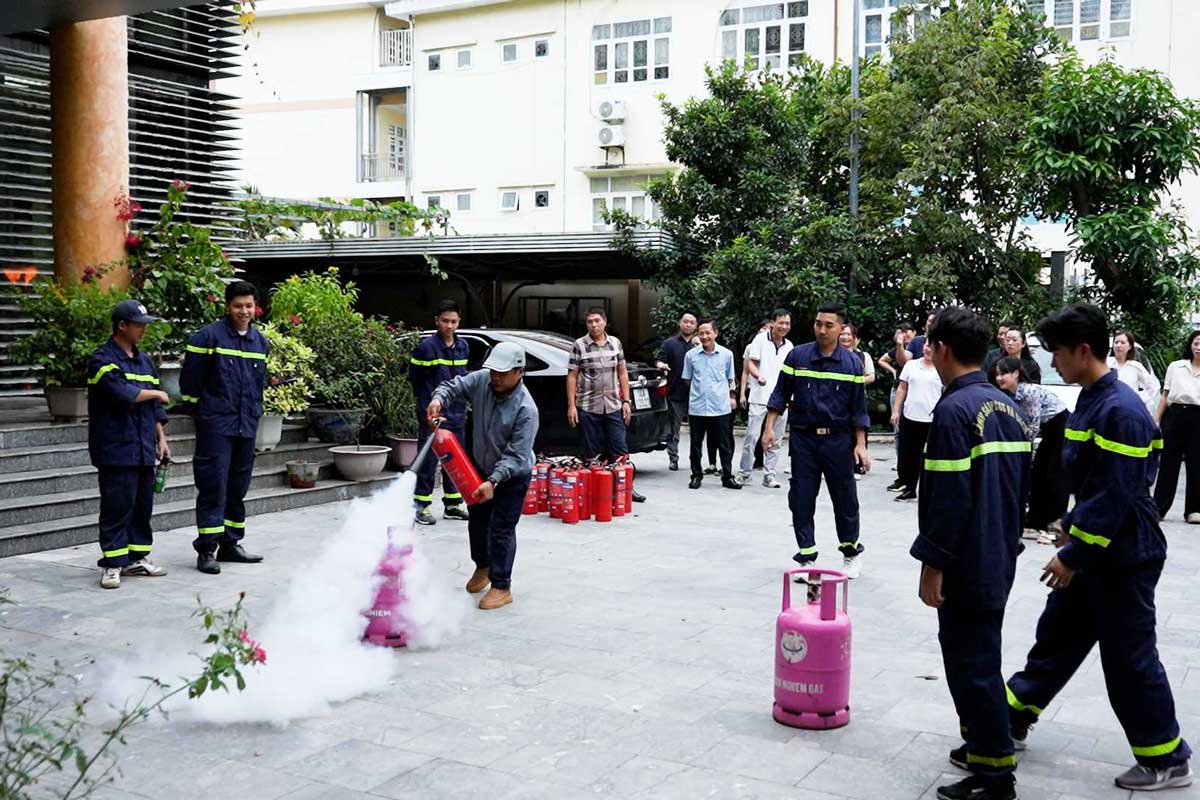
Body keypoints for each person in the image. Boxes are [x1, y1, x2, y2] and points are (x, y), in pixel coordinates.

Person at [1007, 304, 1192, 792]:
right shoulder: (1091, 399)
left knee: (1129, 657)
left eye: (1058, 354)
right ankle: (1011, 719)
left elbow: (1119, 491)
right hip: (1094, 545)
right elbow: (1093, 486)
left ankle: (1166, 757)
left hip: (1125, 555)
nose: (1054, 363)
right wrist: (1072, 526)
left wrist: (1073, 553)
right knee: (1058, 637)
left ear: (1082, 351)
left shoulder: (1120, 409)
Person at [910, 307, 1030, 800]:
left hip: (967, 561)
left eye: (928, 345)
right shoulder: (1008, 408)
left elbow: (947, 499)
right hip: (999, 553)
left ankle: (995, 775)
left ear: (940, 349)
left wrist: (932, 564)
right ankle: (982, 747)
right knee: (981, 656)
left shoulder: (954, 412)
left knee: (972, 665)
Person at [426, 342, 539, 610]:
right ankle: (483, 566)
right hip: (480, 465)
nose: (495, 377)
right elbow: (454, 386)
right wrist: (438, 399)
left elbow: (516, 455)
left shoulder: (526, 410)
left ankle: (502, 586)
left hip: (511, 476)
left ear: (519, 372)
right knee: (477, 521)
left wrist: (493, 481)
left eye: (502, 372)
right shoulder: (482, 381)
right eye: (492, 371)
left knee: (501, 528)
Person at [763, 303, 870, 579]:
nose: (822, 329)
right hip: (804, 440)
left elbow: (859, 409)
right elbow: (779, 395)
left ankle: (850, 554)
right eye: (818, 323)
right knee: (801, 497)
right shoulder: (797, 357)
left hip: (838, 441)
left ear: (841, 329)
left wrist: (860, 445)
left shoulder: (852, 364)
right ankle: (806, 557)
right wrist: (769, 428)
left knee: (845, 498)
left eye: (829, 325)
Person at [180, 281, 269, 575]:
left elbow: (258, 385)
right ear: (227, 306)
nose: (243, 311)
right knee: (213, 486)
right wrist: (205, 414)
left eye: (248, 306)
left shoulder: (260, 342)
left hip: (246, 424)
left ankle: (231, 544)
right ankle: (207, 548)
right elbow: (189, 386)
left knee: (237, 487)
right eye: (237, 306)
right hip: (216, 425)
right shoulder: (207, 338)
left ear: (255, 307)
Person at [87, 300, 172, 589]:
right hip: (115, 447)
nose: (143, 330)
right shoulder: (101, 359)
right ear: (122, 326)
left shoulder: (145, 360)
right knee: (117, 505)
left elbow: (152, 410)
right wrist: (157, 393)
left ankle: (136, 558)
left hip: (144, 446)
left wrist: (161, 439)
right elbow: (122, 393)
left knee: (141, 506)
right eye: (139, 325)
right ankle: (112, 564)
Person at [566, 308, 644, 502]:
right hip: (587, 405)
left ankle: (626, 489)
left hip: (613, 405)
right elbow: (572, 376)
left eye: (597, 321)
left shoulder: (615, 343)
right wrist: (571, 406)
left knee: (620, 449)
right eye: (589, 321)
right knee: (590, 452)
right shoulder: (580, 345)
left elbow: (623, 372)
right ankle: (594, 492)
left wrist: (626, 401)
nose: (593, 325)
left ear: (605, 322)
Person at [408, 300, 471, 526]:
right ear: (436, 321)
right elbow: (414, 379)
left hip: (456, 414)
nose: (450, 326)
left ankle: (452, 504)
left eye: (454, 321)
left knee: (454, 460)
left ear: (459, 322)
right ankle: (421, 506)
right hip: (431, 414)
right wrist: (426, 403)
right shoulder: (426, 348)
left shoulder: (463, 346)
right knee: (428, 462)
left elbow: (463, 381)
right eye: (445, 321)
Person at [992, 356, 1069, 538]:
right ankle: (1035, 519)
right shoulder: (1008, 394)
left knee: (1053, 474)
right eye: (997, 374)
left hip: (1060, 426)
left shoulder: (1028, 392)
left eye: (1004, 373)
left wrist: (1023, 452)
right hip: (1048, 430)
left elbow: (1032, 426)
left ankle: (1055, 520)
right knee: (1038, 474)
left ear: (1016, 374)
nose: (999, 378)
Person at [682, 319, 740, 490]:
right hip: (698, 407)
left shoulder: (726, 355)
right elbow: (687, 379)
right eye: (701, 333)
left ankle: (727, 476)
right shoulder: (691, 356)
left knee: (724, 444)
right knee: (695, 445)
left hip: (720, 407)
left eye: (708, 333)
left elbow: (730, 379)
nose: (705, 336)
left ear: (716, 333)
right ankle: (696, 475)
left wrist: (730, 397)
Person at [738, 309, 793, 488]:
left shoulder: (790, 346)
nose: (784, 326)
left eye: (787, 323)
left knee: (776, 439)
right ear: (773, 323)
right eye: (781, 323)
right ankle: (744, 473)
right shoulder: (760, 339)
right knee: (752, 436)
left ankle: (769, 474)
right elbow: (751, 364)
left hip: (781, 399)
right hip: (759, 396)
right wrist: (758, 376)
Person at [1153, 330, 1200, 524]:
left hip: (1198, 417)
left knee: (1197, 463)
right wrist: (1156, 420)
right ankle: (1159, 508)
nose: (1199, 347)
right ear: (1190, 345)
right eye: (1196, 343)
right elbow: (1165, 395)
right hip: (1175, 415)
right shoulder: (1176, 367)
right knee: (1167, 463)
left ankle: (1194, 510)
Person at [891, 340, 943, 502]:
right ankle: (910, 488)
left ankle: (930, 490)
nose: (928, 349)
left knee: (928, 457)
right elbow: (902, 388)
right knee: (908, 455)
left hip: (931, 420)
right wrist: (896, 410)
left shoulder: (942, 369)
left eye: (932, 346)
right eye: (927, 345)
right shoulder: (911, 365)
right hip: (910, 417)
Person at [655, 312, 698, 471]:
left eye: (691, 322)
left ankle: (696, 459)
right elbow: (660, 360)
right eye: (685, 321)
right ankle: (673, 458)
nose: (688, 325)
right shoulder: (669, 343)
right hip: (676, 392)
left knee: (697, 429)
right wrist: (661, 365)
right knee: (674, 428)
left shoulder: (700, 344)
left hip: (697, 394)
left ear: (696, 326)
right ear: (680, 323)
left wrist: (699, 344)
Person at [880, 323, 916, 468]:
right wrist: (893, 370)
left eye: (907, 331)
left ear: (914, 332)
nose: (904, 334)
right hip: (898, 389)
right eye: (901, 331)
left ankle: (912, 462)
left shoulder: (920, 346)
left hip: (915, 391)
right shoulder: (898, 349)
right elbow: (882, 360)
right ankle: (900, 461)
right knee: (897, 429)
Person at [841, 323, 874, 478]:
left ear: (855, 339)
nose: (845, 337)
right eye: (843, 334)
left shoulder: (862, 356)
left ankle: (857, 465)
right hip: (838, 400)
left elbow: (871, 376)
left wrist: (854, 381)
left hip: (856, 399)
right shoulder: (833, 355)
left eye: (849, 334)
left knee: (858, 431)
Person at [1109, 330, 1160, 417]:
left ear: (1129, 346)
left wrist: (1140, 401)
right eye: (1116, 342)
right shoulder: (1107, 364)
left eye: (1122, 343)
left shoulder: (1136, 366)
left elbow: (1152, 387)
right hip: (1109, 410)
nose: (1118, 345)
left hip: (1128, 412)